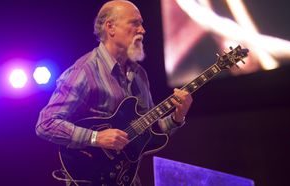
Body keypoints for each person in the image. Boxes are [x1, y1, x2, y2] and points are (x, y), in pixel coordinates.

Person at [36, 0, 193, 185]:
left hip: (128, 178)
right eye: (135, 23)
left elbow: (150, 132)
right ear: (110, 27)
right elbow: (45, 124)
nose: (142, 30)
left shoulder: (139, 74)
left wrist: (177, 117)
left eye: (141, 24)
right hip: (90, 177)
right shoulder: (85, 71)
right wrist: (96, 138)